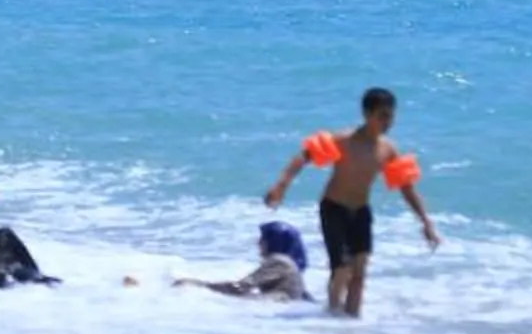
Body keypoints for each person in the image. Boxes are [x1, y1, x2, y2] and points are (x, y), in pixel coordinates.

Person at [265, 86, 439, 319]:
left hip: (361, 212)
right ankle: (332, 317)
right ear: (367, 115)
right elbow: (304, 157)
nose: (388, 122)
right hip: (333, 208)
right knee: (341, 269)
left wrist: (425, 222)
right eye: (382, 116)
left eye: (391, 116)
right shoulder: (343, 140)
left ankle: (351, 325)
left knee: (359, 273)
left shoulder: (388, 150)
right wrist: (281, 186)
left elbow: (406, 187)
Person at [179, 221, 315, 300]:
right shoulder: (290, 266)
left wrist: (200, 285)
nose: (258, 243)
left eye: (263, 239)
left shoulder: (279, 261)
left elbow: (240, 288)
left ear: (274, 242)